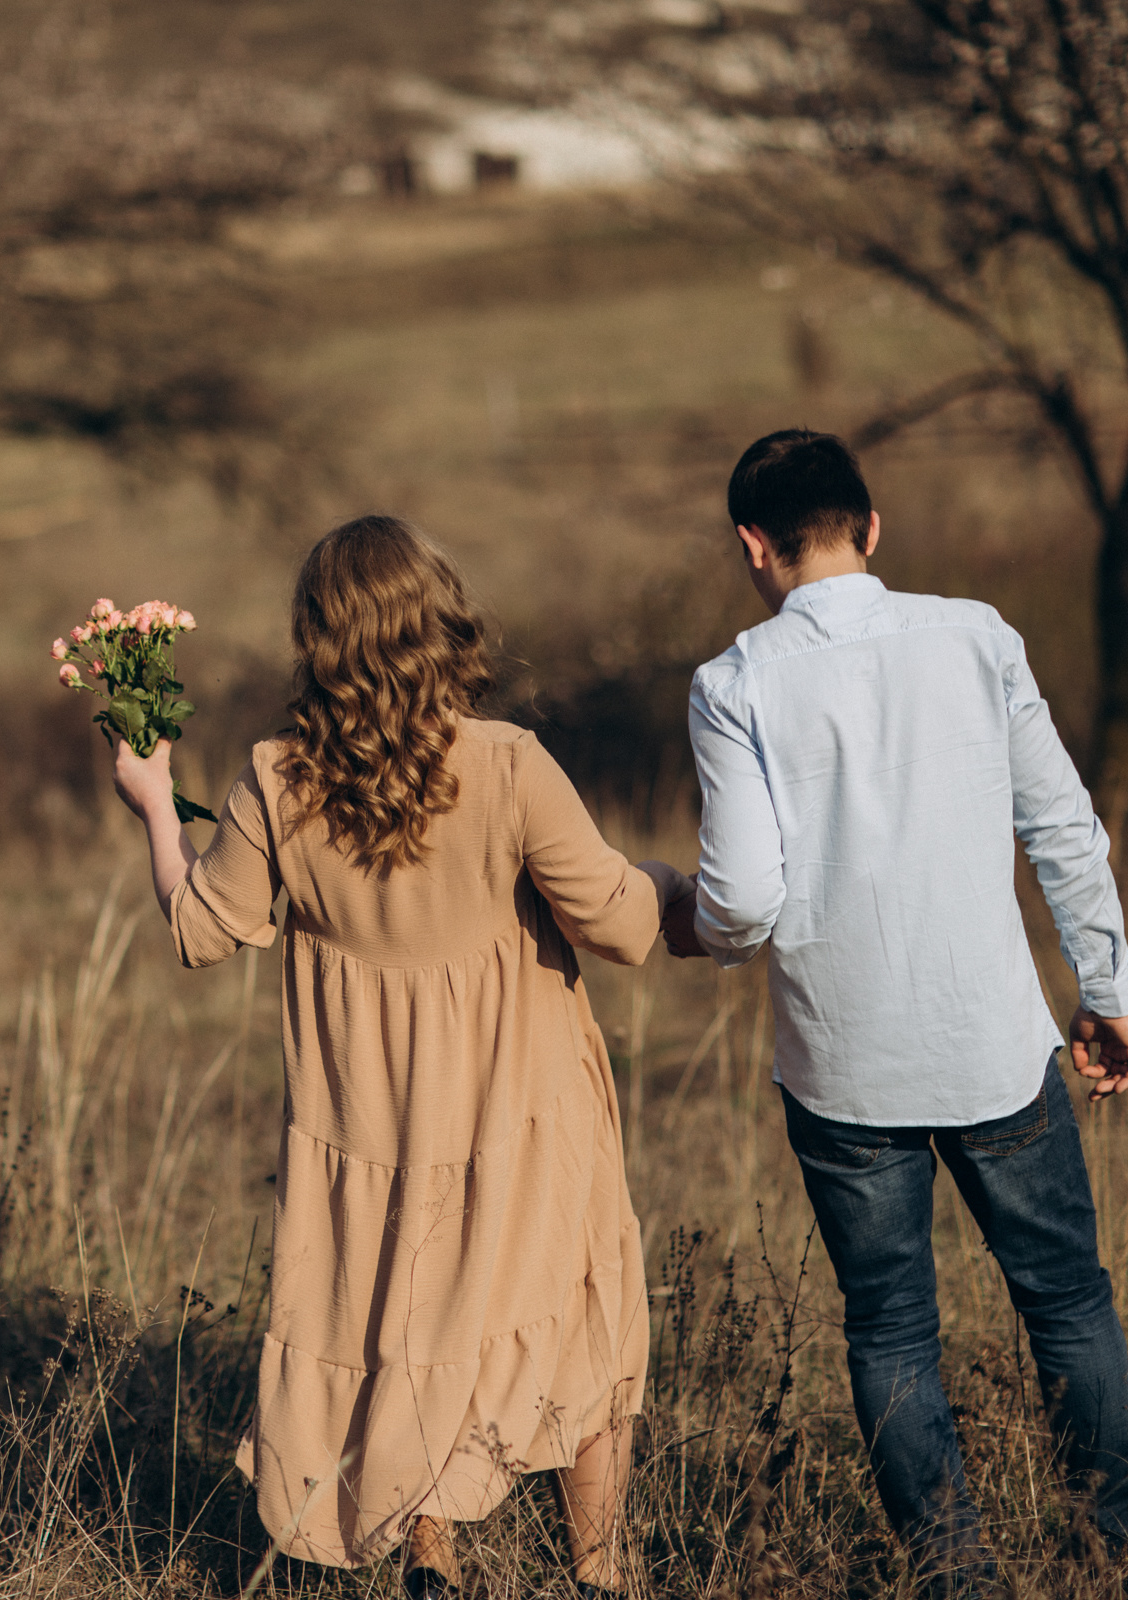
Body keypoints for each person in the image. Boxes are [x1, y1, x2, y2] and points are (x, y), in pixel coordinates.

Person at [110, 515, 687, 1597]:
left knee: (405, 1324)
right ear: (440, 621)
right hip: (526, 1115)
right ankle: (600, 1574)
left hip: (371, 1130)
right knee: (588, 1320)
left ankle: (430, 1552)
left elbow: (198, 930)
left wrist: (154, 804)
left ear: (316, 640)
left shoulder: (276, 783)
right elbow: (620, 923)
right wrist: (686, 888)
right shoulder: (510, 767)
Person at [659, 430, 1128, 1596]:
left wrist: (695, 927)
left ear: (750, 547)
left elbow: (742, 901)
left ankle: (952, 1568)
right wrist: (1109, 990)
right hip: (994, 1041)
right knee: (1067, 1296)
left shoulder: (733, 684)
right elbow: (1065, 830)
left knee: (889, 1325)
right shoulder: (978, 636)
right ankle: (1122, 1540)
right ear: (870, 529)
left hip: (843, 1067)